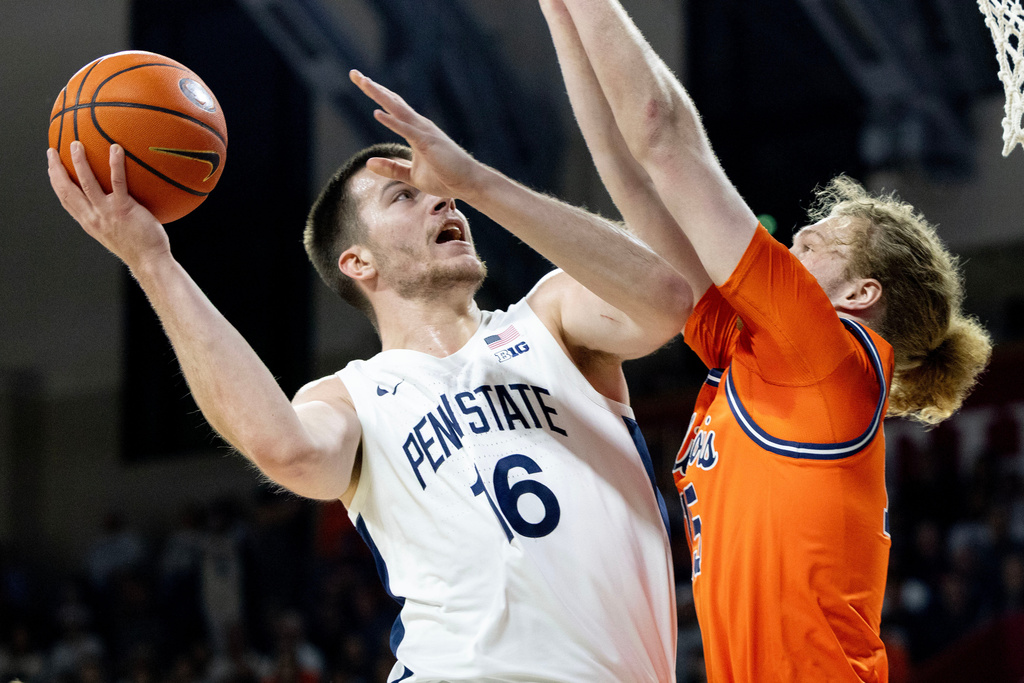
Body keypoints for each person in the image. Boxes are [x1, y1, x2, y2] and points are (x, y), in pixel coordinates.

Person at [46, 66, 693, 680]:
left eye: (443, 194)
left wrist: (477, 181)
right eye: (406, 196)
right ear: (358, 261)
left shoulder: (551, 319)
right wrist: (153, 260)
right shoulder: (354, 395)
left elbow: (666, 299)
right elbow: (285, 448)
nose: (442, 204)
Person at [536, 0, 993, 680]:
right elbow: (627, 172)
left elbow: (663, 134)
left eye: (826, 234)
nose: (800, 235)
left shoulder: (827, 354)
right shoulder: (750, 356)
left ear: (860, 295)